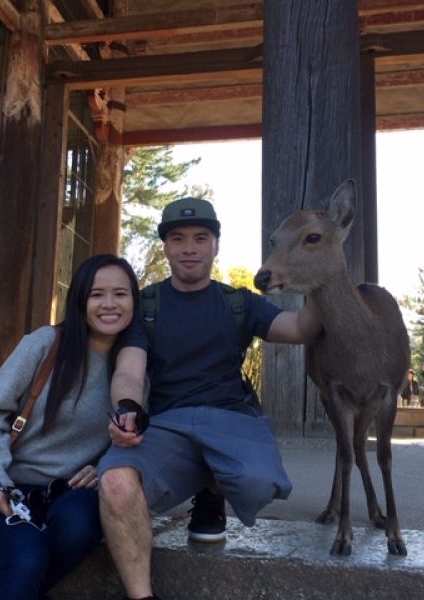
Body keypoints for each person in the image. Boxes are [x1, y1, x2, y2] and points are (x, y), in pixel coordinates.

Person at [97, 197, 324, 600]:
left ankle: (213, 488)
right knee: (114, 482)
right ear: (165, 246)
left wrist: (320, 280)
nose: (190, 248)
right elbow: (129, 371)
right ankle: (141, 595)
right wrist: (127, 408)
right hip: (169, 425)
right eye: (178, 238)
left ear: (215, 245)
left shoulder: (238, 302)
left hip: (231, 418)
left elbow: (300, 328)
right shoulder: (147, 305)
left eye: (201, 238)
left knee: (258, 484)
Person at [0, 255, 140, 600]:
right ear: (80, 300)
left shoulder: (136, 370)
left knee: (78, 527)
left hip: (75, 493)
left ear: (134, 300)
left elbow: (138, 437)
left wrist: (104, 466)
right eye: (96, 294)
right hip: (12, 486)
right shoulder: (45, 343)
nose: (109, 304)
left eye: (120, 294)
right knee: (27, 560)